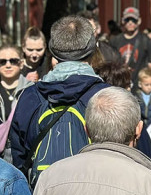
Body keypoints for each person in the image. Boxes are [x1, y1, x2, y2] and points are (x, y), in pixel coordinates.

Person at [10, 16, 110, 180]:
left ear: (52, 51)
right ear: (93, 48)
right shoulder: (109, 97)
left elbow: (19, 160)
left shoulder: (30, 97)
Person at [0, 43, 33, 162]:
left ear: (21, 63)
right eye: (3, 61)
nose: (8, 65)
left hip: (23, 154)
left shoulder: (32, 90)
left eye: (13, 61)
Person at [111, 6, 151, 87]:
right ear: (122, 21)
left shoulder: (145, 40)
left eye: (133, 20)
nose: (130, 22)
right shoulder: (115, 41)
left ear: (139, 21)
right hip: (120, 87)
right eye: (127, 19)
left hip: (139, 88)